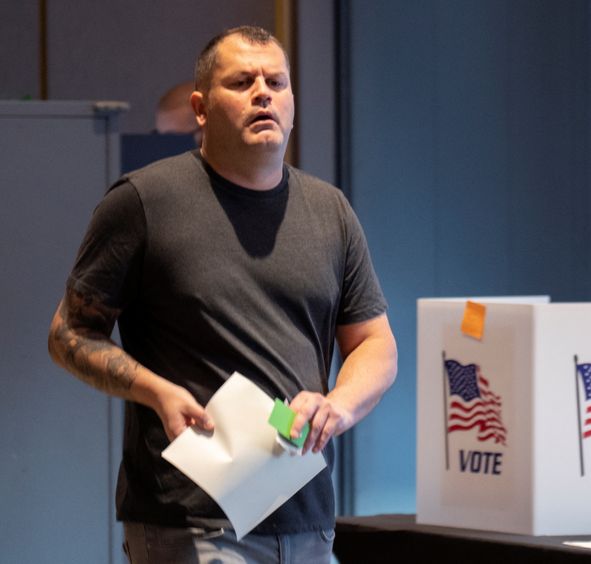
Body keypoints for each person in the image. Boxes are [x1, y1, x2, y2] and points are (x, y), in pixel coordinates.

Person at [47, 25, 397, 564]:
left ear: (293, 103)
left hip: (307, 518)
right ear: (201, 108)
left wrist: (337, 407)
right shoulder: (144, 202)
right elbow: (69, 333)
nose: (263, 93)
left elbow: (375, 343)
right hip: (190, 518)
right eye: (242, 82)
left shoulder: (331, 211)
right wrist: (155, 391)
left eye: (276, 82)